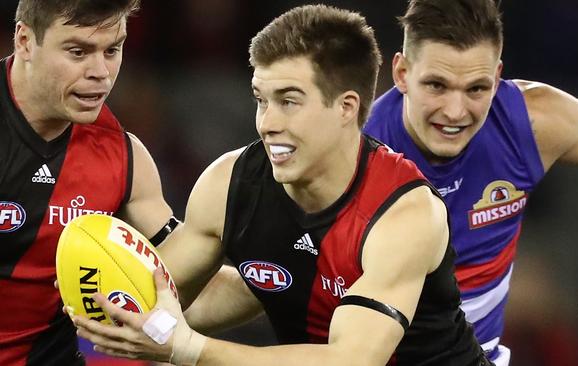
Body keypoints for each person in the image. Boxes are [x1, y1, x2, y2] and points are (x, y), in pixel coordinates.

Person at [73, 5, 492, 366]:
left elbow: (352, 359)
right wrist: (95, 287)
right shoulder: (229, 184)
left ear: (346, 107)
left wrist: (188, 349)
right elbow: (167, 297)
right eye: (261, 99)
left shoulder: (405, 214)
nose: (267, 123)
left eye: (289, 101)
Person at [361, 0, 578, 364]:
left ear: (497, 77)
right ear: (402, 73)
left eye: (476, 89)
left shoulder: (528, 122)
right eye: (437, 85)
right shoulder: (349, 155)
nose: (455, 111)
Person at [0, 1, 177, 365]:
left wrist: (294, 281)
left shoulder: (125, 157)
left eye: (112, 50)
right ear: (25, 41)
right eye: (78, 51)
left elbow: (182, 275)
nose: (101, 73)